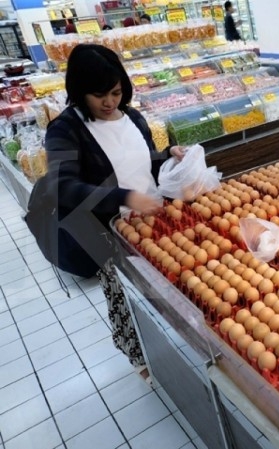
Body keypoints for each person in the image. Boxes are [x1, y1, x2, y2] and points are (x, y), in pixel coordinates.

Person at [44, 44, 186, 382]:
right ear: (79, 91)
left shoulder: (132, 117)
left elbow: (142, 159)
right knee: (124, 295)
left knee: (166, 286)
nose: (109, 102)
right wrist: (123, 197)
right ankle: (139, 356)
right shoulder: (66, 130)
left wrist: (167, 155)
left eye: (116, 92)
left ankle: (172, 344)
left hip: (153, 220)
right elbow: (63, 187)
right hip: (108, 232)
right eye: (99, 95)